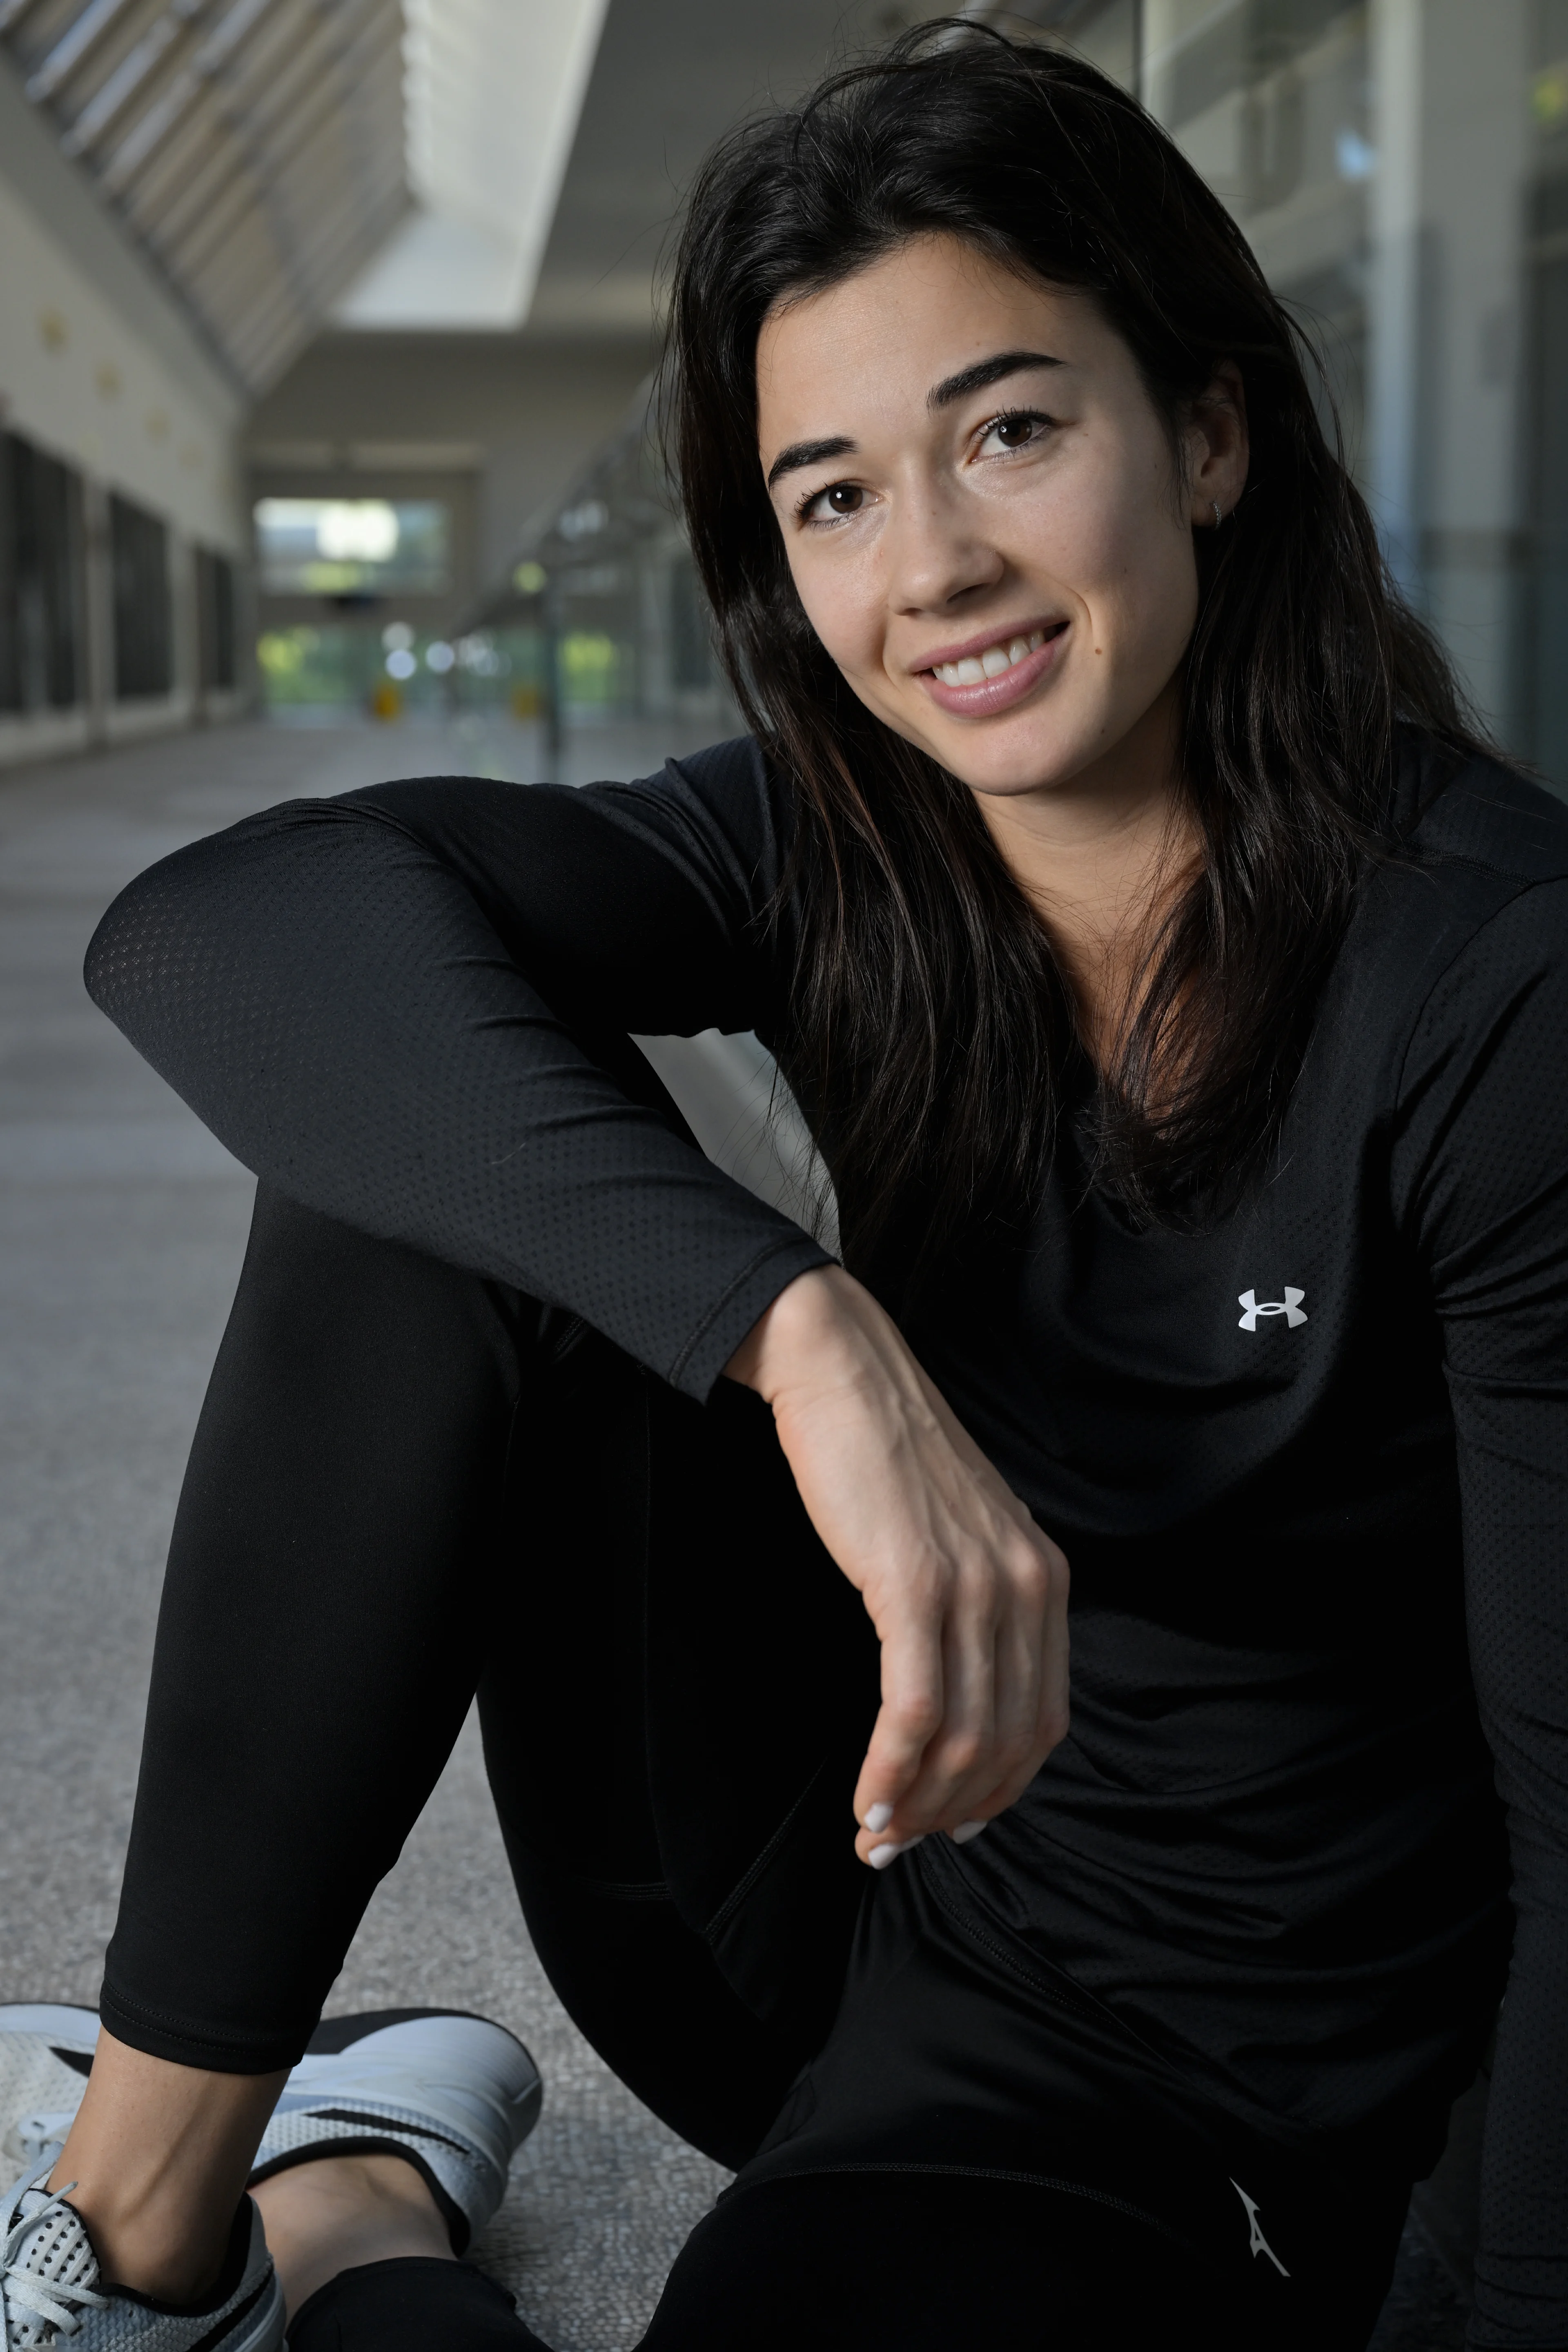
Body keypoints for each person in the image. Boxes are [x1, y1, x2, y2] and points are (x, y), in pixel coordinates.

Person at [4, 21, 1563, 2350]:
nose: (932, 565)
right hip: (877, 1920)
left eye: (1009, 431)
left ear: (1211, 433)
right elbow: (223, 927)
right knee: (418, 1163)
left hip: (1313, 2095)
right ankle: (141, 2231)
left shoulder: (1497, 981)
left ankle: (358, 2221)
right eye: (832, 493)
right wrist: (798, 1329)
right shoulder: (857, 854)